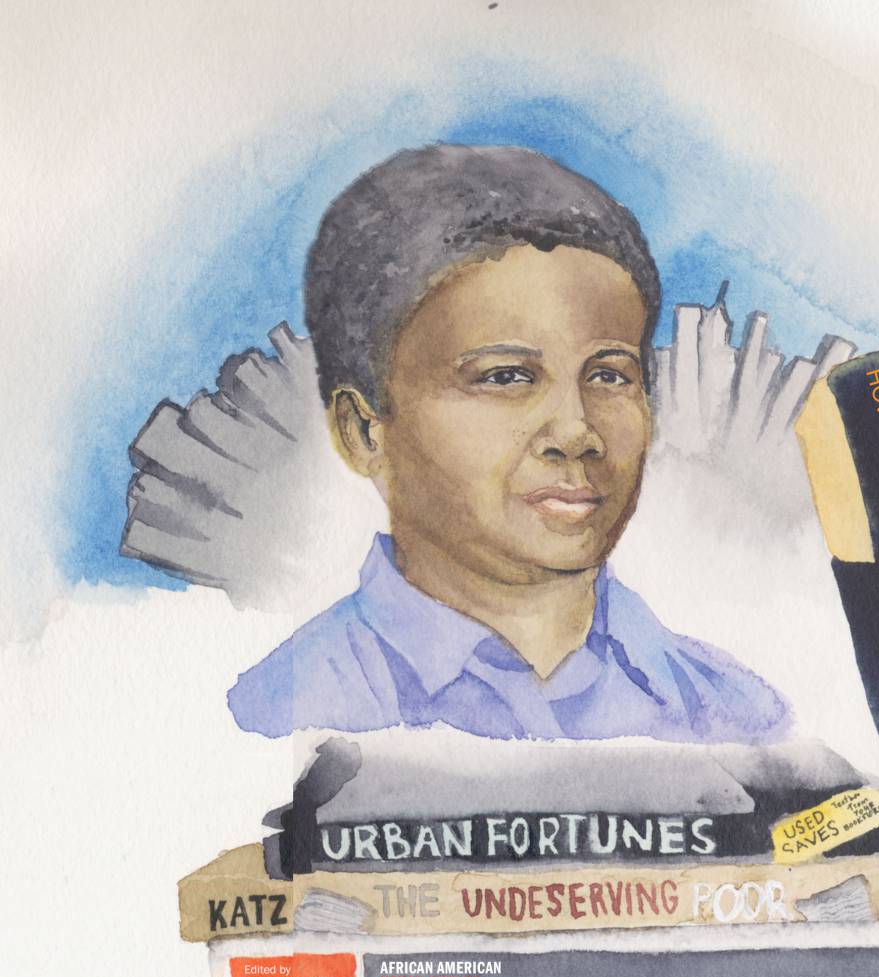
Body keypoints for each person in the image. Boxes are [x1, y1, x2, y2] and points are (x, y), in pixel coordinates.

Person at [227, 145, 791, 742]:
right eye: (506, 377)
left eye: (609, 376)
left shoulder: (740, 721)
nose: (577, 431)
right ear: (364, 431)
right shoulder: (278, 723)